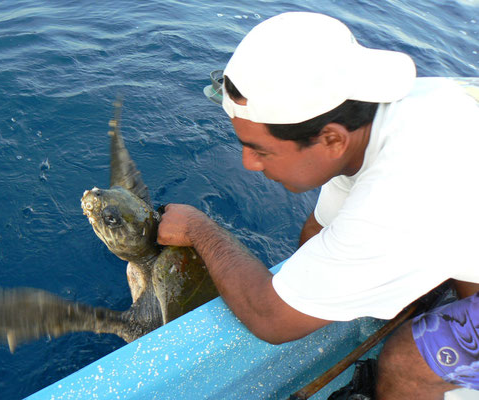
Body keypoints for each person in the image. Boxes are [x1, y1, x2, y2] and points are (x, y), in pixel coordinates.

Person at [157, 11, 479, 399]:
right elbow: (317, 233)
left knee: (409, 359)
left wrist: (199, 229)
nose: (248, 163)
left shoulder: (401, 195)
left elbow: (271, 319)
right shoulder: (386, 116)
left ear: (331, 140)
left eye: (260, 150)